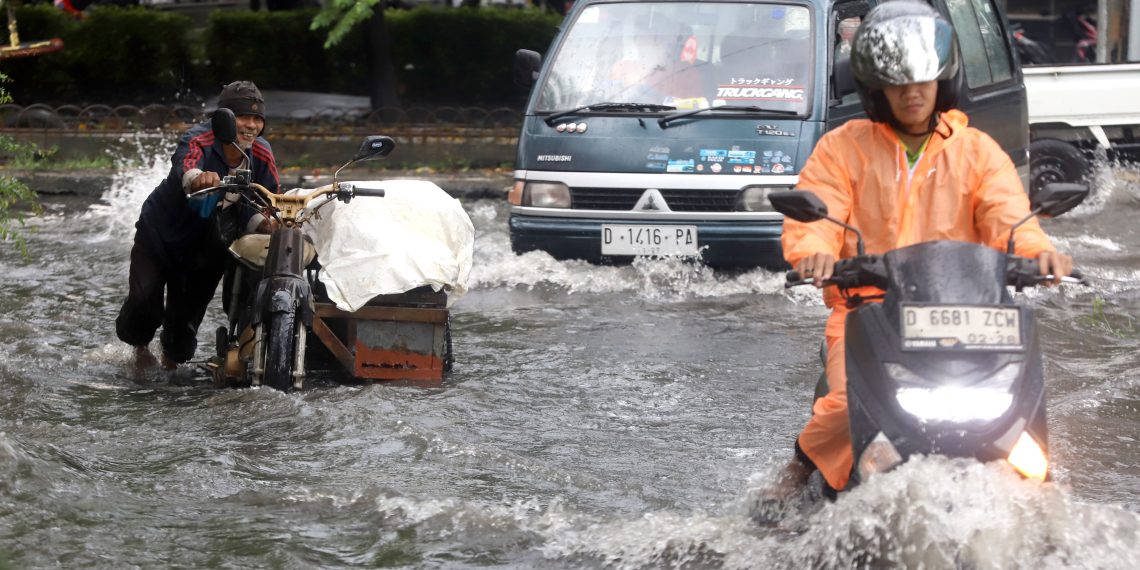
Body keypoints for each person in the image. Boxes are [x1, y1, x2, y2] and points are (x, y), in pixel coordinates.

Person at [769, 0, 1072, 496]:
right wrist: (814, 253)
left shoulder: (977, 151)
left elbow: (1008, 215)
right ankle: (798, 469)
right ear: (876, 90)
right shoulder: (842, 147)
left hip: (970, 315)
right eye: (898, 84)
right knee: (846, 404)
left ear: (942, 80)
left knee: (1020, 410)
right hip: (869, 312)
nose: (912, 94)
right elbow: (819, 212)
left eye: (922, 81)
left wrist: (1037, 252)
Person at [116, 80, 280, 370]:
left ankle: (170, 362)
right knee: (143, 301)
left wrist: (268, 222)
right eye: (243, 117)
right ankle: (140, 350)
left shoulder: (261, 155)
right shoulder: (199, 138)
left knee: (184, 324)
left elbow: (267, 200)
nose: (252, 126)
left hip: (207, 246)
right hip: (159, 235)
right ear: (224, 119)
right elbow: (186, 163)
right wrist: (197, 178)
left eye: (258, 119)